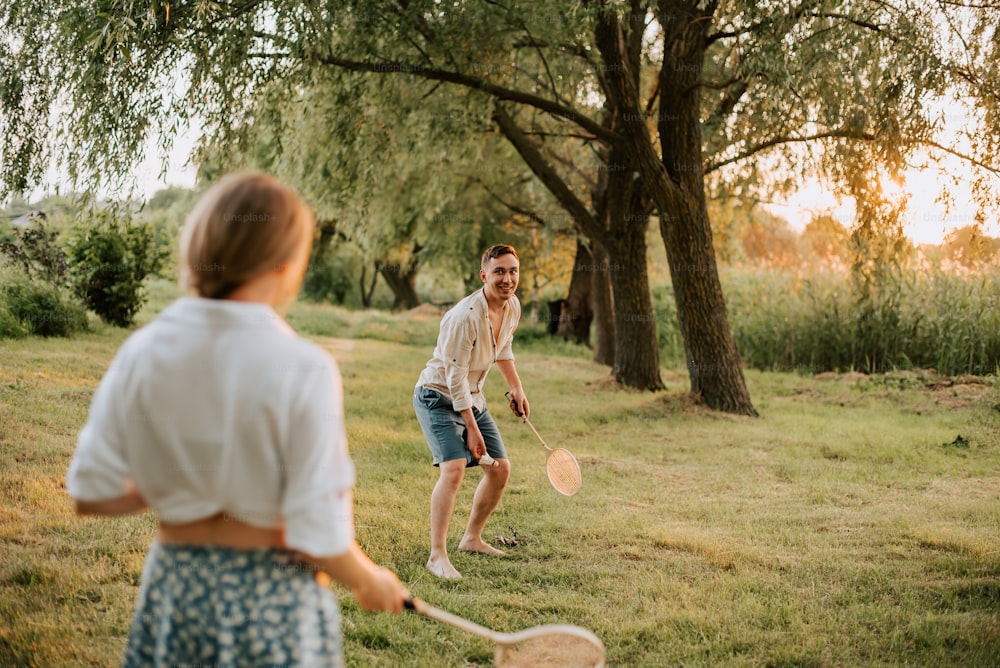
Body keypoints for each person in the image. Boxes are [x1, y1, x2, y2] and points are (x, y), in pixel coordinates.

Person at [66, 171, 408, 667]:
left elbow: (90, 492)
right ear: (288, 264)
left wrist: (171, 486)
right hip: (270, 596)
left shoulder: (142, 350)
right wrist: (370, 579)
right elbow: (318, 529)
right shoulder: (304, 367)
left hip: (174, 588)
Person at [413, 244, 529, 580]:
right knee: (453, 470)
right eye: (499, 272)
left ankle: (472, 539)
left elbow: (503, 348)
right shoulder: (464, 317)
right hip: (437, 396)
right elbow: (454, 377)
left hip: (471, 396)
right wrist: (471, 429)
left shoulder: (512, 307)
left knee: (500, 470)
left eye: (513, 271)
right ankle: (437, 556)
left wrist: (515, 387)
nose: (507, 279)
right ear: (484, 276)